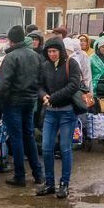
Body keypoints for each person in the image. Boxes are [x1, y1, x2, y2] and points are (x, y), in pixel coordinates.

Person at [0, 26, 43, 187]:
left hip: (13, 102)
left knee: (16, 138)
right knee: (28, 135)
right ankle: (38, 174)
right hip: (30, 101)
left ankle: (20, 175)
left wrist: (1, 103)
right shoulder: (36, 56)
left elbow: (2, 85)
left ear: (11, 39)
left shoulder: (10, 57)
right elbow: (40, 79)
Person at [36, 38, 81, 199]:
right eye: (49, 51)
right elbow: (39, 85)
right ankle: (49, 183)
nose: (52, 54)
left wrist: (53, 97)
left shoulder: (72, 64)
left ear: (61, 51)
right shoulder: (45, 66)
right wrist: (44, 96)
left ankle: (64, 184)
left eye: (55, 51)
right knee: (47, 148)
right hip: (50, 112)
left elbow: (74, 85)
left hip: (67, 112)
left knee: (65, 148)